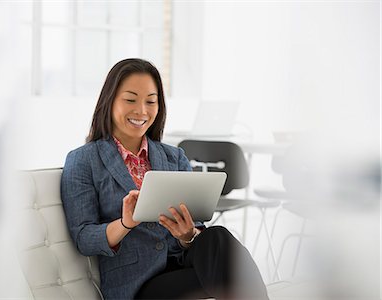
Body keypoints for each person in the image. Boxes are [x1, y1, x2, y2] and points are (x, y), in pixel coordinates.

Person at [61, 58, 268, 300]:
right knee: (231, 279)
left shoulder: (174, 156)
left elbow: (197, 224)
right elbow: (84, 238)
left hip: (182, 262)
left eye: (151, 101)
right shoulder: (83, 160)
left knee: (217, 236)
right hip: (138, 283)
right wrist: (126, 223)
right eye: (130, 100)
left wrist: (187, 235)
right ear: (110, 101)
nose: (142, 111)